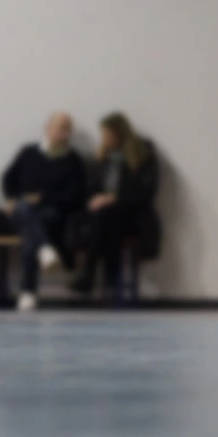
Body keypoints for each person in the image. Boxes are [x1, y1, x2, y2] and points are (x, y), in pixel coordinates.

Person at [2, 111, 87, 312]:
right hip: (22, 209)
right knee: (24, 208)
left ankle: (28, 291)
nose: (63, 133)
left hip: (53, 213)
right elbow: (8, 179)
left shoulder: (73, 160)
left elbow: (76, 196)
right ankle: (45, 249)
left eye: (67, 129)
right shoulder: (29, 152)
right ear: (48, 129)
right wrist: (12, 198)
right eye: (59, 127)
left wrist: (42, 197)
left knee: (30, 234)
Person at [74, 112, 163, 300]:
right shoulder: (102, 156)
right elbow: (92, 187)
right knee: (105, 218)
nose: (105, 139)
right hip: (105, 216)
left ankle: (91, 274)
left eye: (109, 134)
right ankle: (108, 281)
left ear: (120, 133)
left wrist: (114, 198)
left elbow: (146, 190)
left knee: (107, 216)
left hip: (134, 214)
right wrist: (94, 199)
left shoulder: (142, 153)